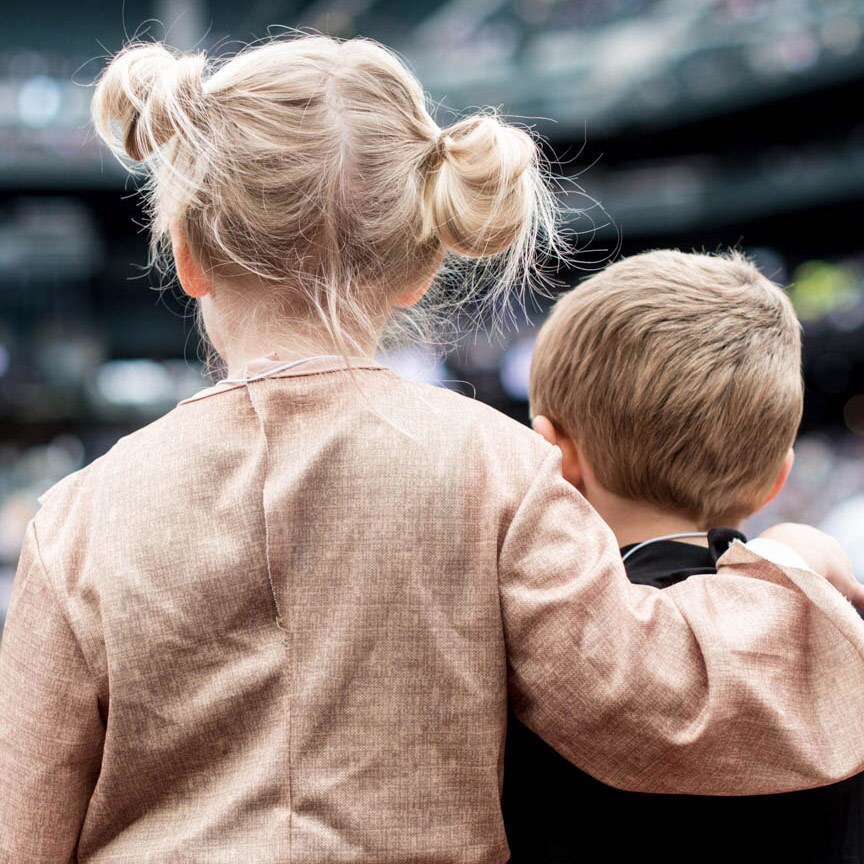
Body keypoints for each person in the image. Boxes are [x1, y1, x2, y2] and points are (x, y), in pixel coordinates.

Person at [1, 35, 864, 864]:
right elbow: (668, 705)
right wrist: (790, 562)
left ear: (187, 254)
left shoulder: (74, 518)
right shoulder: (499, 471)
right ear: (421, 265)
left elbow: (23, 825)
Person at [502, 248, 864, 864]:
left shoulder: (521, 640)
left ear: (554, 455)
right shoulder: (835, 632)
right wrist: (793, 555)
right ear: (776, 480)